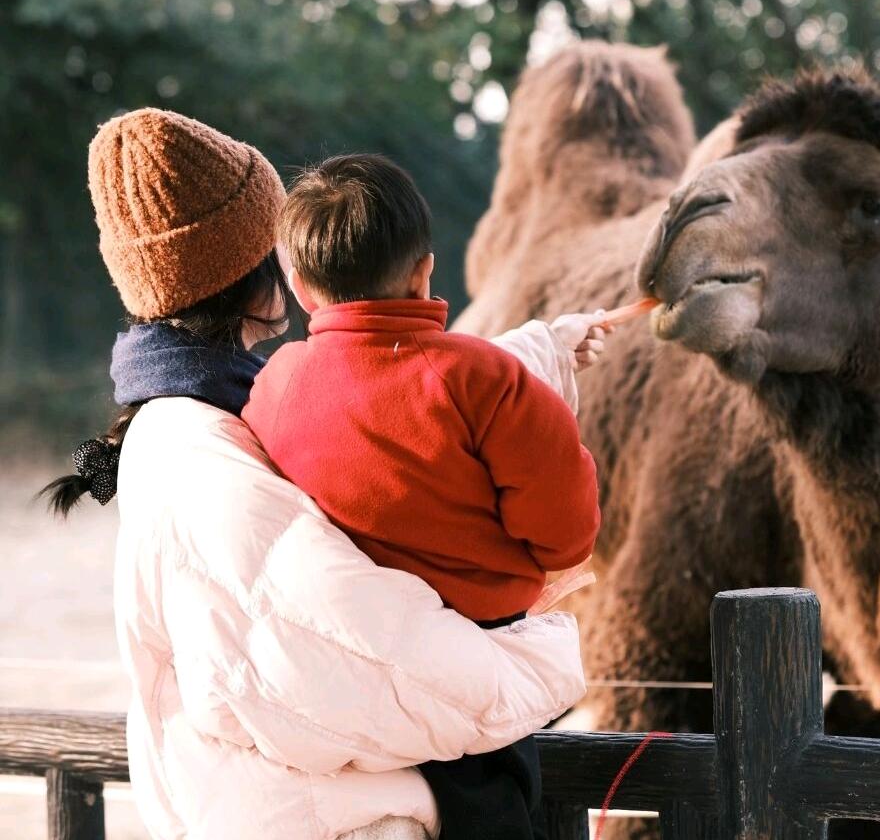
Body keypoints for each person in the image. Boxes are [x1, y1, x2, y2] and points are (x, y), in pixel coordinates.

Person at [44, 107, 602, 840]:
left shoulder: (248, 399)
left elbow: (393, 396)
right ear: (254, 273)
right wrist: (541, 660)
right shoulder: (200, 449)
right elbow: (369, 657)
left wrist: (536, 352)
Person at [242, 153, 603, 840]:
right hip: (472, 681)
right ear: (424, 270)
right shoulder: (489, 380)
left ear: (297, 285)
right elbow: (567, 535)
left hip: (338, 685)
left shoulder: (274, 385)